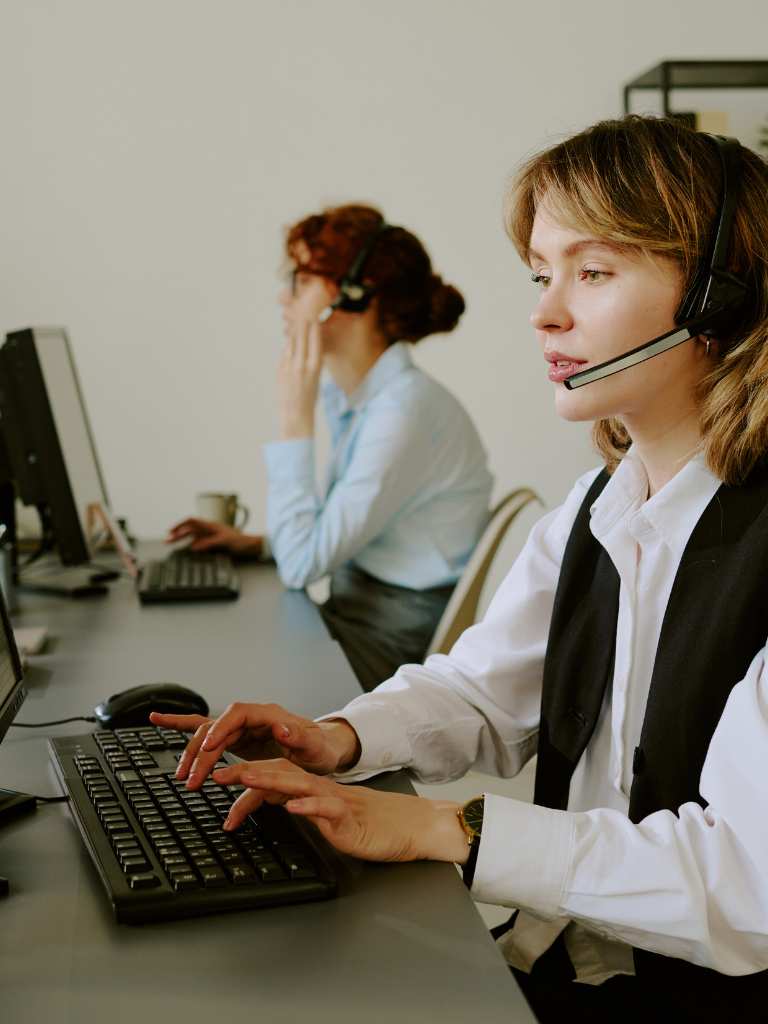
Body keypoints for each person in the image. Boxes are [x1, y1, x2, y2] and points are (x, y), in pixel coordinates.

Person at [152, 116, 768, 1021]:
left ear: (720, 294)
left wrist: (453, 829)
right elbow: (482, 691)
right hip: (573, 961)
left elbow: (748, 880)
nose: (546, 312)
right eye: (542, 274)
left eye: (592, 272)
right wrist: (340, 738)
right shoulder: (600, 505)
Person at [168, 204, 493, 690]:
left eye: (301, 279)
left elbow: (302, 567)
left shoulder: (402, 413)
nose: (285, 297)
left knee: (216, 660)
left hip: (388, 638)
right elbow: (327, 536)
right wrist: (261, 544)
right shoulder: (364, 396)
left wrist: (293, 419)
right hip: (358, 608)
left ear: (350, 295)